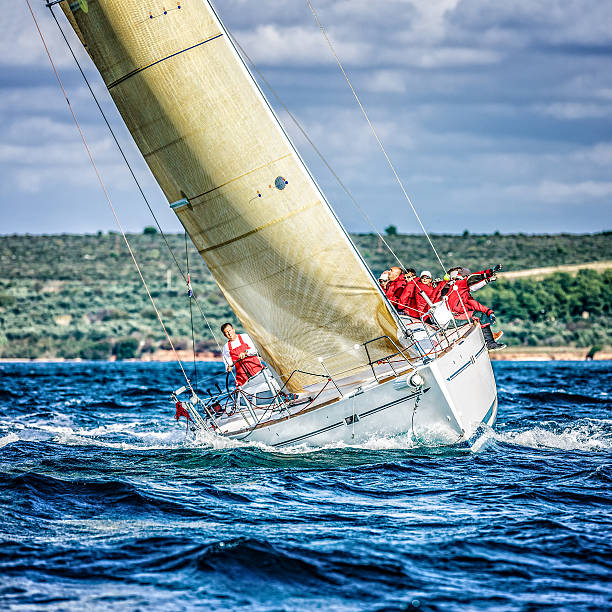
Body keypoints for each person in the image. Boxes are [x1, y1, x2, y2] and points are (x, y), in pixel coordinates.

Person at [445, 268, 506, 351]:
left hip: (449, 318)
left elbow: (474, 303)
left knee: (478, 314)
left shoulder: (458, 288)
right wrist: (489, 274)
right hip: (451, 319)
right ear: (465, 276)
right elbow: (473, 279)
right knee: (480, 316)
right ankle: (490, 343)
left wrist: (489, 312)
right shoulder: (460, 284)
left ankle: (489, 337)